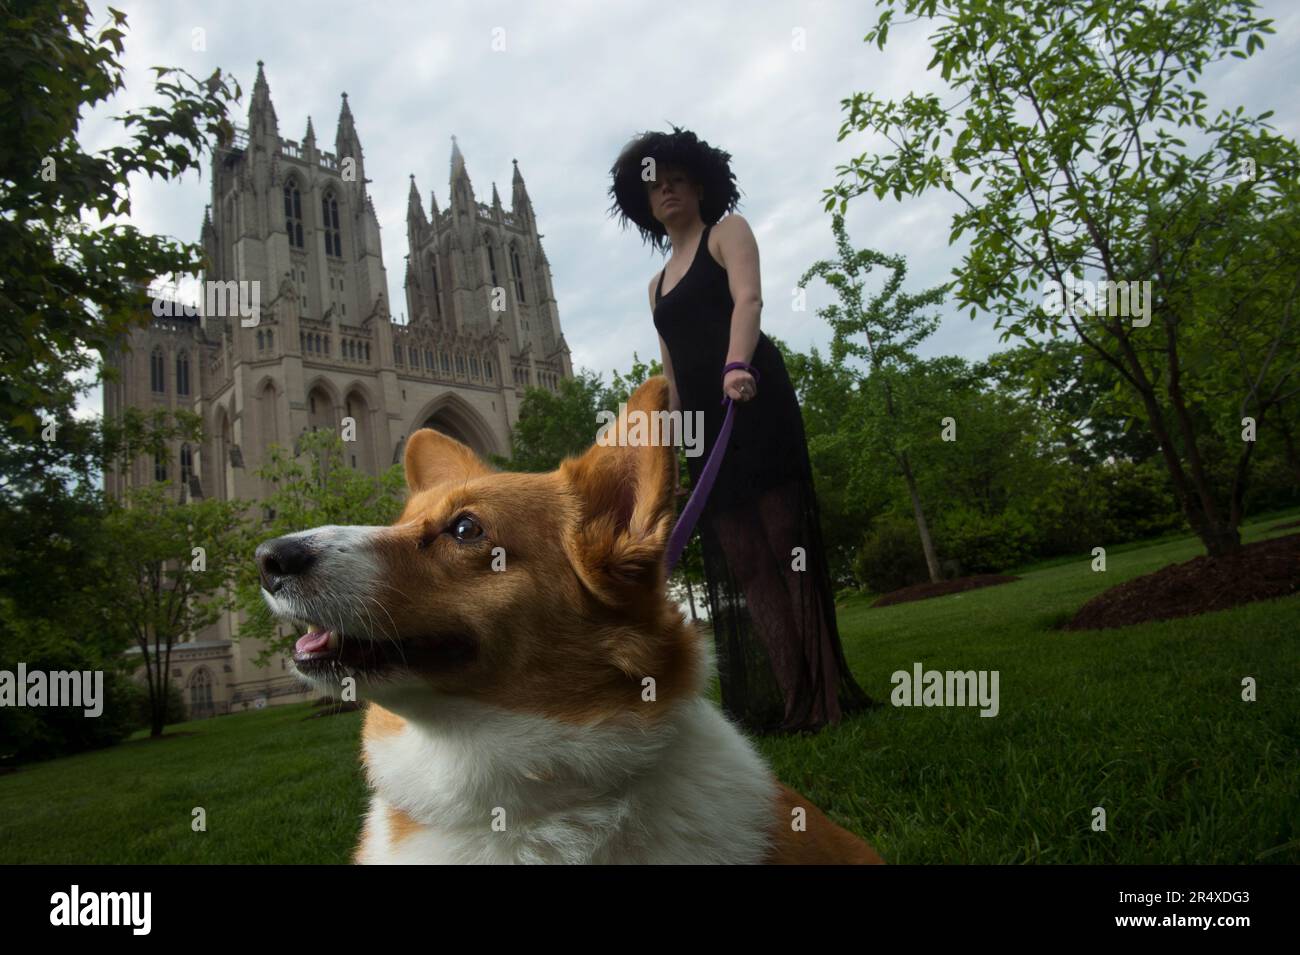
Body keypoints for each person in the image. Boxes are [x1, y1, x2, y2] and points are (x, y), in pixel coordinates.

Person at [607, 126, 872, 734]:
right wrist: (666, 458)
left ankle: (827, 692)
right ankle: (794, 699)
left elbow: (748, 302)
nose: (668, 190)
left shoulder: (728, 233)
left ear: (699, 186)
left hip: (753, 398)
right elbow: (671, 373)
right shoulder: (656, 286)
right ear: (647, 204)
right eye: (656, 186)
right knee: (747, 561)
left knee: (787, 546)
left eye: (677, 180)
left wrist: (735, 366)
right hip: (705, 425)